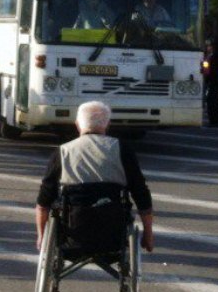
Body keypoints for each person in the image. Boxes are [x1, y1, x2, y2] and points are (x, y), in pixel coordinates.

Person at [35, 101, 154, 253]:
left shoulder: (63, 152)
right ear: (107, 125)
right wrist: (148, 234)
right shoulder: (122, 149)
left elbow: (43, 200)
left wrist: (41, 236)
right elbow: (140, 192)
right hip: (112, 233)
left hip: (73, 232)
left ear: (78, 125)